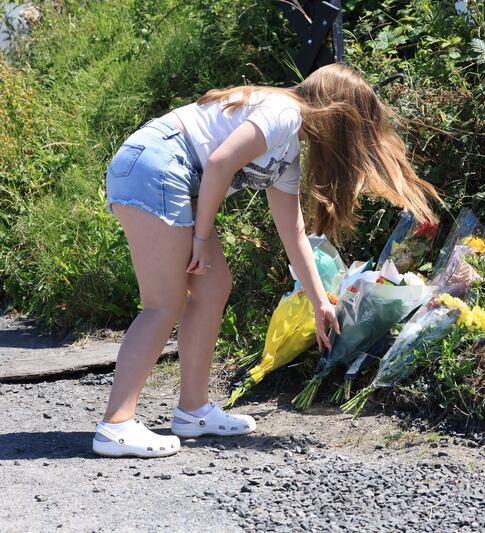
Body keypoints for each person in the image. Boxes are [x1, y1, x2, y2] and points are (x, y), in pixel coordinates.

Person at [93, 63, 440, 457]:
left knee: (213, 285)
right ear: (338, 115)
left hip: (167, 170)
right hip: (153, 165)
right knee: (164, 301)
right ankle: (116, 425)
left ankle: (193, 410)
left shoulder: (287, 150)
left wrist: (319, 301)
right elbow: (222, 162)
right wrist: (202, 237)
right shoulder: (284, 112)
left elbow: (292, 231)